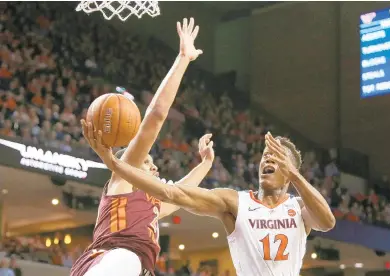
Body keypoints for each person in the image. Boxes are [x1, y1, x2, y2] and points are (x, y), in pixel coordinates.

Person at [83, 124, 336, 276]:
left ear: (290, 171)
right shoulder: (235, 202)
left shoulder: (298, 208)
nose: (268, 160)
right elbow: (172, 193)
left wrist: (296, 176)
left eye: (278, 157)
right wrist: (114, 163)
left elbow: (327, 222)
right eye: (265, 155)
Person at [71, 17, 207, 276]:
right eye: (147, 161)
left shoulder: (152, 206)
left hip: (137, 268)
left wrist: (206, 164)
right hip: (113, 258)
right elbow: (155, 116)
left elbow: (181, 194)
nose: (154, 166)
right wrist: (183, 59)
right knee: (128, 258)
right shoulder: (123, 180)